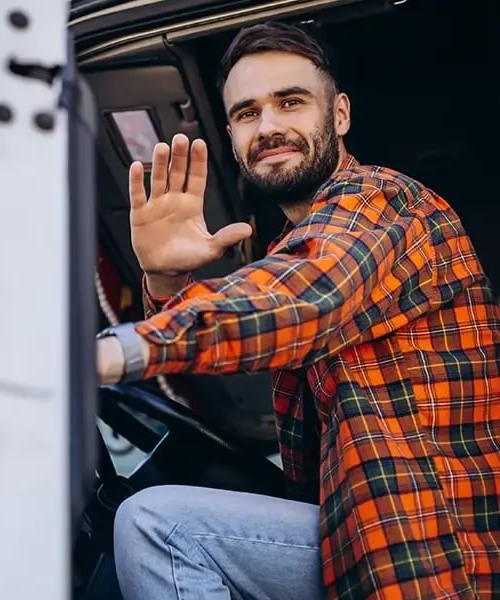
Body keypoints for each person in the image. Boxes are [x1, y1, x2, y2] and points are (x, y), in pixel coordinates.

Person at [95, 22, 500, 600]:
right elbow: (260, 320)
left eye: (290, 102)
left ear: (339, 115)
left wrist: (106, 354)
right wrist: (165, 279)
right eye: (247, 113)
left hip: (442, 553)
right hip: (359, 540)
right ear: (232, 136)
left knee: (157, 526)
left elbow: (303, 299)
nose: (268, 127)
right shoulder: (295, 246)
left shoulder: (385, 202)